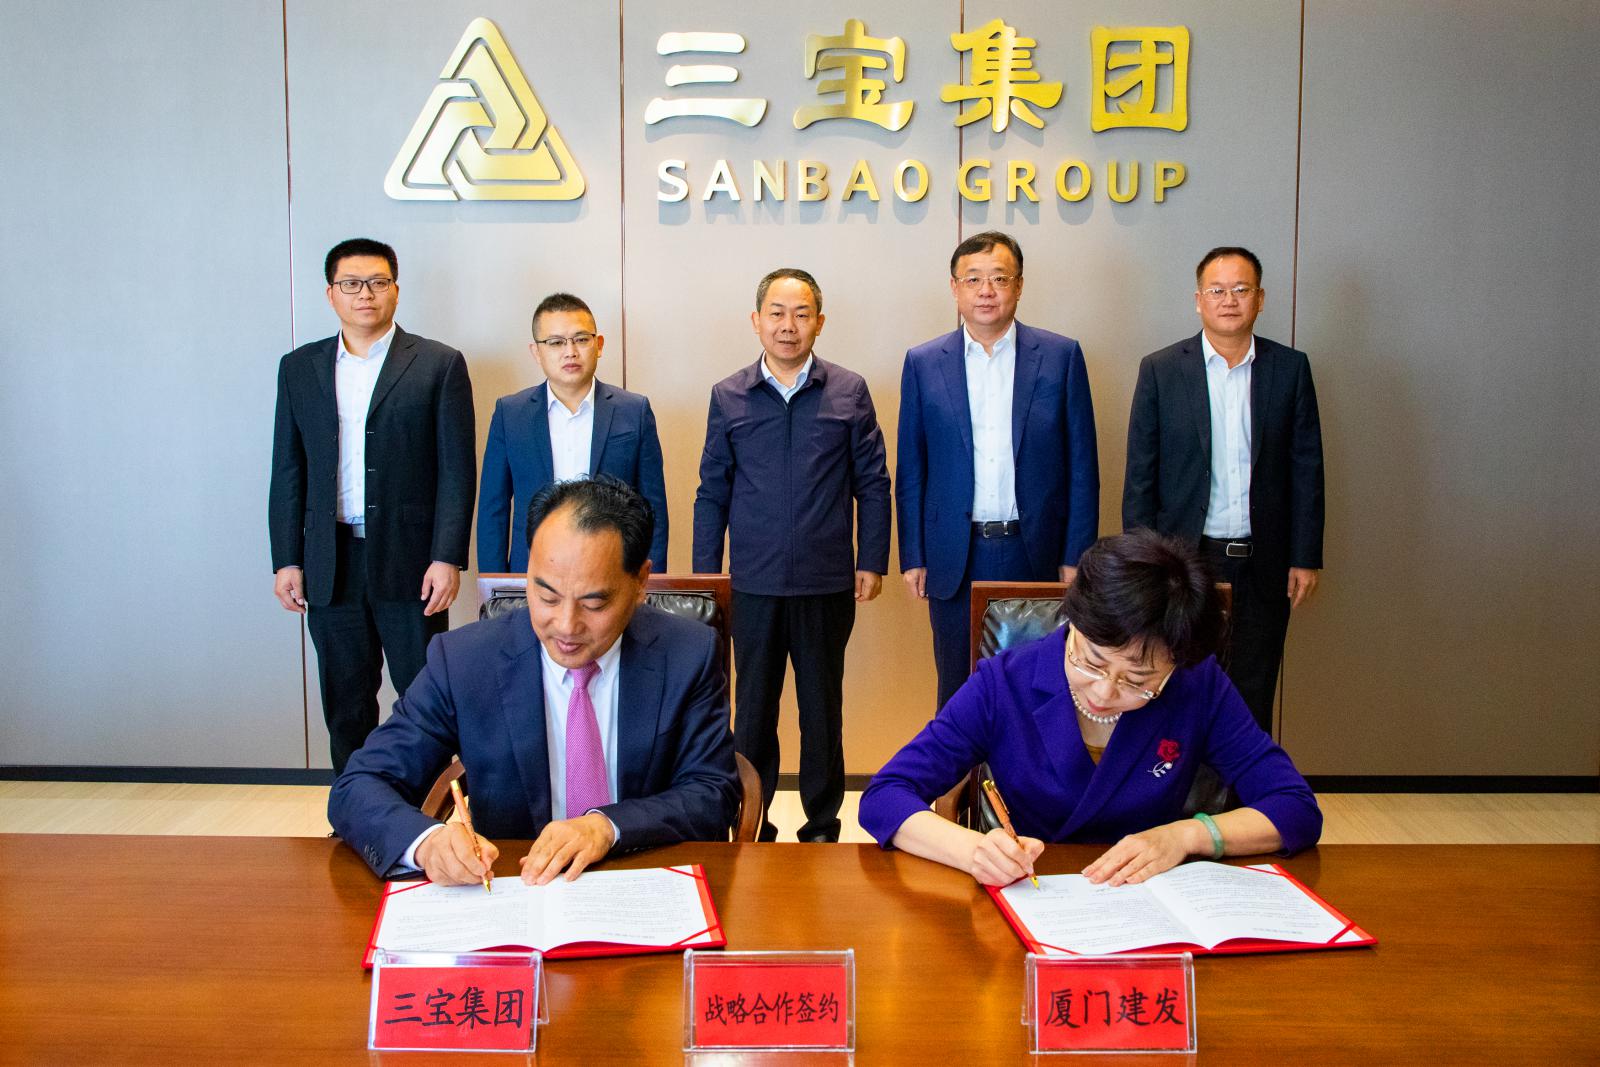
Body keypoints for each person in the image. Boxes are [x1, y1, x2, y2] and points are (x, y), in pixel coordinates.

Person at [329, 476, 740, 885]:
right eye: (547, 596)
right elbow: (359, 784)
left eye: (593, 603)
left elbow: (712, 792)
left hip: (641, 882)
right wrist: (427, 843)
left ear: (639, 583)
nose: (566, 625)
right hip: (514, 886)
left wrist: (607, 826)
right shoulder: (465, 662)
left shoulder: (688, 654)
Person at [859, 530, 1321, 888]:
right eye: (1090, 661)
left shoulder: (1198, 685)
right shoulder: (1004, 683)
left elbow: (1294, 807)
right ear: (1074, 622)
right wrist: (973, 851)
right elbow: (886, 795)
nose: (1104, 690)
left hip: (1150, 898)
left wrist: (1186, 836)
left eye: (1138, 680)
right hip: (1034, 893)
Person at [693, 268, 891, 842]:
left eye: (801, 314)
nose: (788, 325)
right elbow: (712, 491)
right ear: (756, 321)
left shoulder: (848, 390)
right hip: (751, 584)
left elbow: (873, 483)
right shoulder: (728, 395)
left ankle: (823, 825)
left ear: (819, 322)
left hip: (826, 583)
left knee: (822, 710)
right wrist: (707, 577)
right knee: (752, 711)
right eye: (776, 313)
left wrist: (871, 560)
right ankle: (752, 824)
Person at [269, 237, 475, 774]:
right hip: (331, 561)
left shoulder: (438, 364)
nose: (366, 294)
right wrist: (287, 559)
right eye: (352, 284)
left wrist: (447, 557)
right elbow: (288, 469)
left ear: (396, 291)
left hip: (411, 561)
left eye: (378, 282)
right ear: (331, 294)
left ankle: (426, 811)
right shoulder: (299, 367)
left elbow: (457, 471)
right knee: (346, 704)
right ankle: (355, 806)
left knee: (425, 698)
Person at [1123, 246, 1325, 733]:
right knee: (1179, 687)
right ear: (1198, 300)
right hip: (1185, 562)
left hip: (1263, 562)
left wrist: (1304, 556)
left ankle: (1243, 783)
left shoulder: (1289, 369)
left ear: (1260, 298)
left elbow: (1306, 468)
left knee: (1253, 691)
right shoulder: (1162, 369)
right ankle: (1181, 781)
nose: (1229, 300)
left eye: (1241, 289)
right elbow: (1141, 475)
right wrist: (1144, 562)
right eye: (1217, 290)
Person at [897, 231, 1099, 711]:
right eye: (973, 279)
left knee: (1037, 690)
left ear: (1019, 285)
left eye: (999, 279)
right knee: (957, 690)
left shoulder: (1060, 357)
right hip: (954, 554)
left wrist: (1076, 554)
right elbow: (912, 468)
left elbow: (1082, 467)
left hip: (1034, 551)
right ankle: (960, 766)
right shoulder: (923, 363)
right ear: (954, 288)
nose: (986, 291)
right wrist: (914, 554)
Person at [477, 292, 669, 575]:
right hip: (533, 572)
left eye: (580, 339)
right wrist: (494, 585)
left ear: (598, 345)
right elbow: (493, 510)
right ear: (536, 352)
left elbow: (653, 509)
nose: (570, 352)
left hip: (612, 570)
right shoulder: (510, 414)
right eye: (556, 342)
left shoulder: (634, 411)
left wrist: (652, 582)